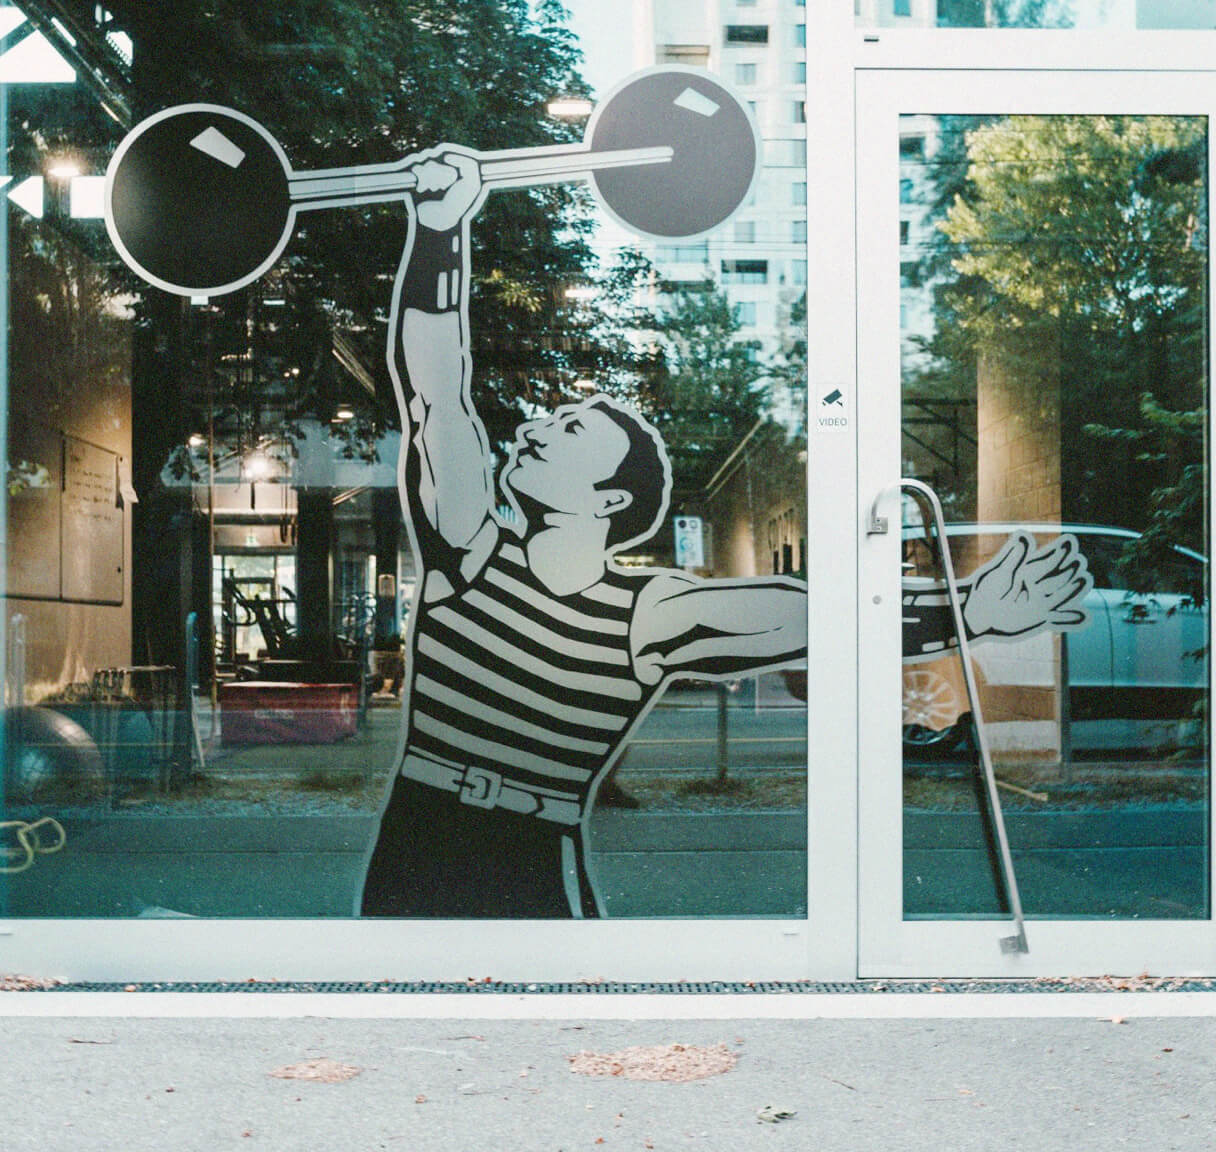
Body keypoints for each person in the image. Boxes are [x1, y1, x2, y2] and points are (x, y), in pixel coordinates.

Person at [358, 146, 1089, 918]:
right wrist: (440, 234)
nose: (538, 425)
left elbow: (813, 619)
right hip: (421, 835)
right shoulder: (468, 549)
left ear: (608, 501)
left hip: (537, 855)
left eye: (570, 429)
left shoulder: (648, 615)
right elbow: (436, 392)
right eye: (552, 417)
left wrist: (968, 610)